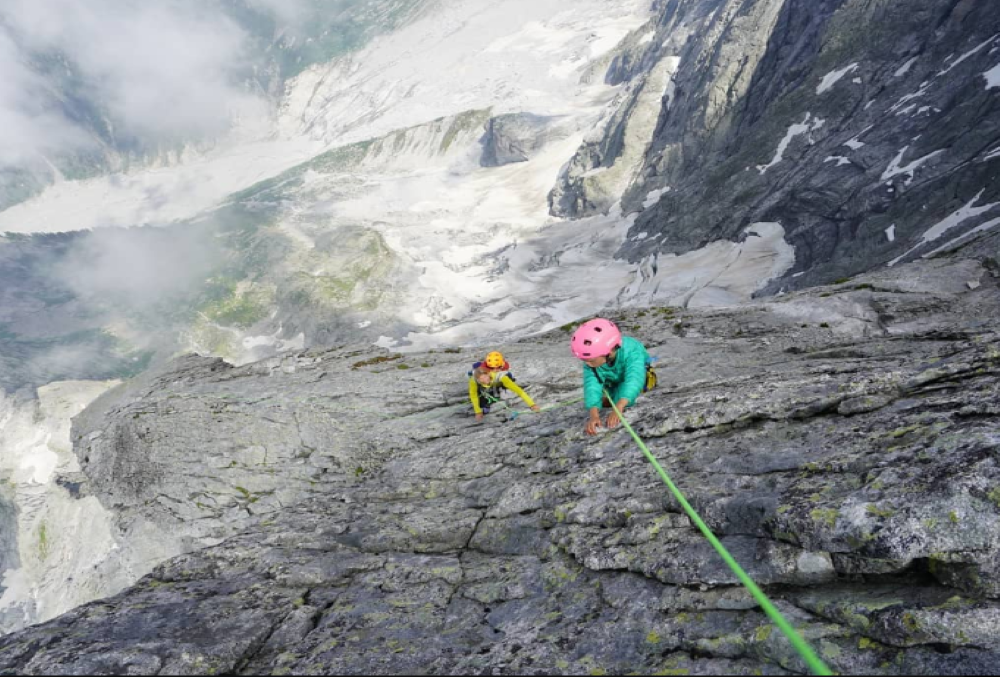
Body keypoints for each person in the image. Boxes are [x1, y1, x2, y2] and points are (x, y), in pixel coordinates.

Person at [570, 318, 655, 435]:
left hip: (642, 376)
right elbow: (591, 385)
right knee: (602, 397)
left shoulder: (632, 351)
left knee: (626, 398)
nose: (587, 364)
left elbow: (634, 379)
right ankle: (612, 395)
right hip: (613, 380)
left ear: (608, 352)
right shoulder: (594, 358)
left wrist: (619, 406)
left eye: (591, 360)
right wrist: (594, 415)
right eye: (585, 360)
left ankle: (615, 397)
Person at [469, 351, 540, 421]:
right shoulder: (473, 380)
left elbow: (519, 391)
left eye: (485, 377)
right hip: (484, 386)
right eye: (481, 379)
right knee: (482, 402)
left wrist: (532, 405)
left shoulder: (502, 377)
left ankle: (499, 390)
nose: (484, 380)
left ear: (488, 374)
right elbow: (473, 395)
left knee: (505, 381)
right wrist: (478, 412)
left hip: (497, 383)